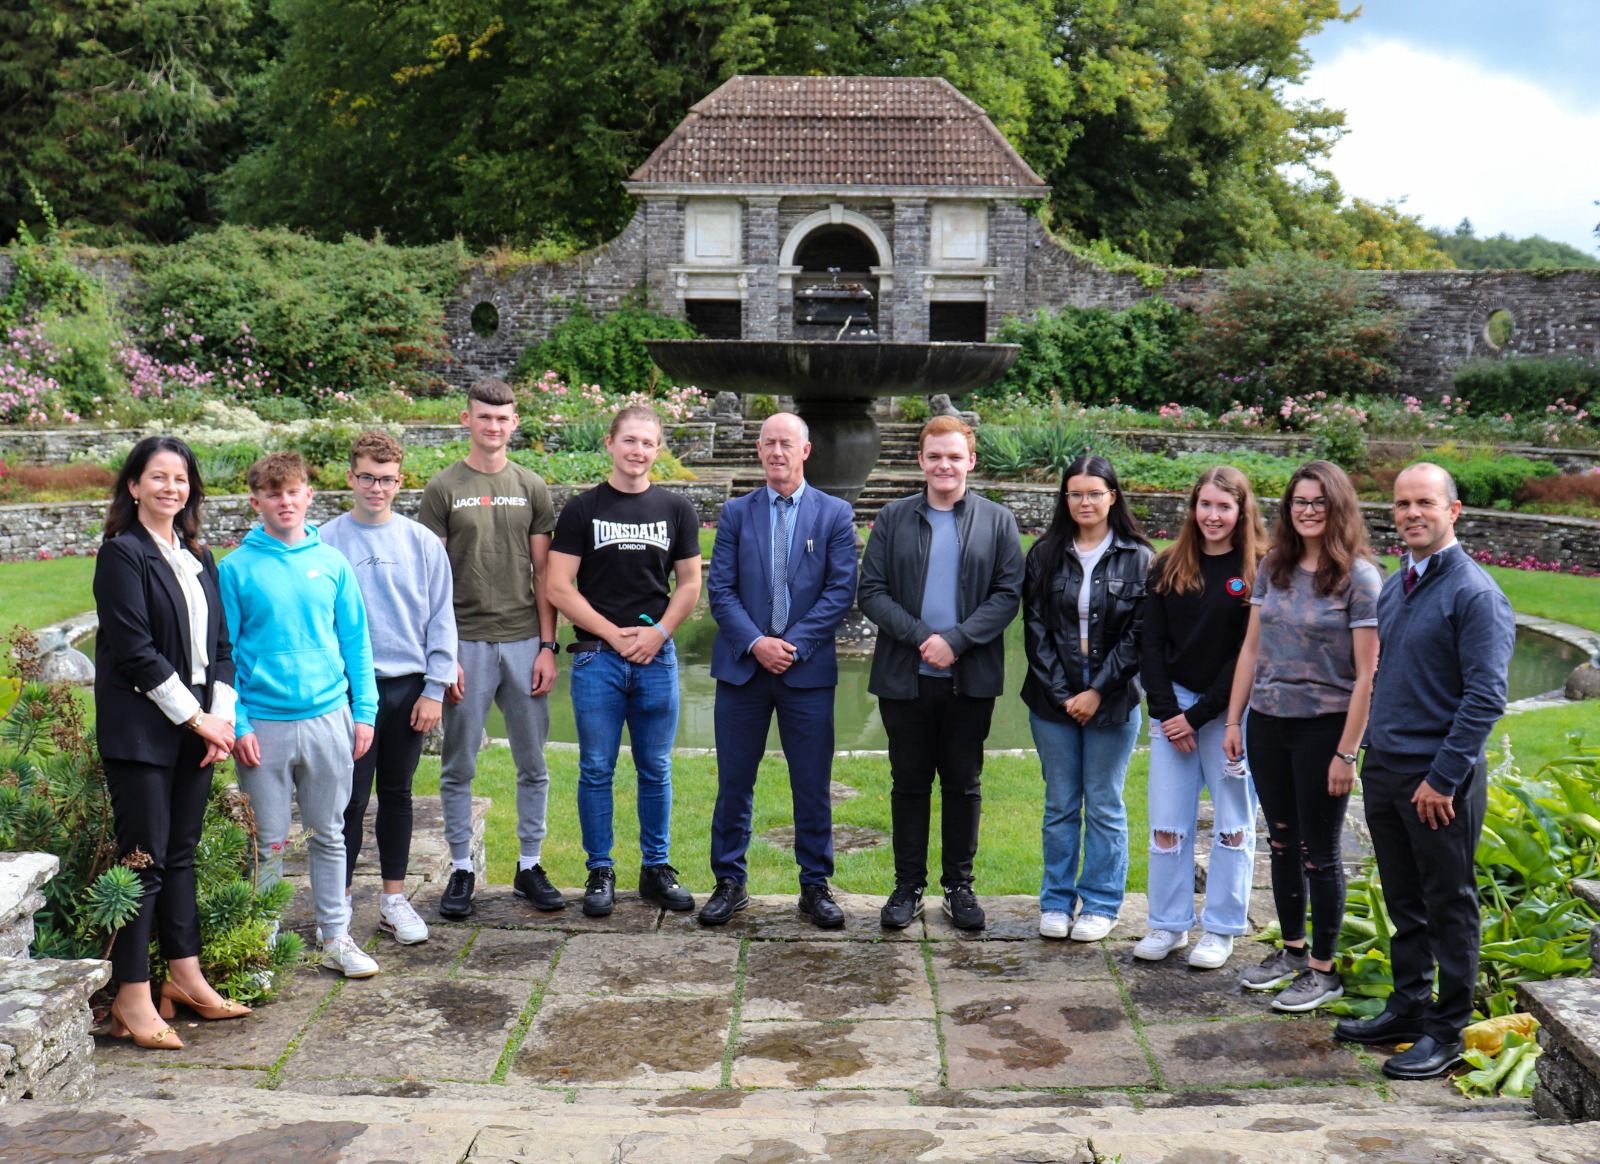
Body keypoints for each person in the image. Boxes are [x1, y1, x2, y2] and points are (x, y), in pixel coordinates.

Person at [1335, 463, 1514, 1078]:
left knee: (1449, 902)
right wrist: (1367, 752)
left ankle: (1449, 1027)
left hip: (1438, 781)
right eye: (1403, 503)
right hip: (1387, 770)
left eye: (1426, 503)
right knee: (1404, 899)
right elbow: (1386, 675)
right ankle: (1409, 1007)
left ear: (1453, 511)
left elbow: (1486, 697)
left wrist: (1442, 777)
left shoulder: (1475, 593)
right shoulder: (1396, 583)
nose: (1412, 513)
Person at [94, 436, 247, 1048]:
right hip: (142, 733)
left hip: (196, 728)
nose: (170, 488)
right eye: (157, 477)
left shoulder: (199, 557)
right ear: (134, 487)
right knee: (144, 861)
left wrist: (221, 720)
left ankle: (185, 978)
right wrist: (196, 720)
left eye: (180, 479)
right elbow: (135, 653)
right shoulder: (121, 555)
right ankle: (132, 997)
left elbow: (222, 651)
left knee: (179, 854)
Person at [1224, 459, 1381, 1012]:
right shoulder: (1273, 567)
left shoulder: (1359, 579)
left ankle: (1324, 968)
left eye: (1318, 502)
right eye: (1299, 502)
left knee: (1322, 852)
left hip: (1324, 730)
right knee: (1282, 841)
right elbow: (1250, 648)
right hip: (1268, 723)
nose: (1308, 511)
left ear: (1337, 507)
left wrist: (1347, 751)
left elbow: (1368, 674)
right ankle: (1291, 952)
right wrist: (1233, 720)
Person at [859, 416, 1024, 932]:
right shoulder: (892, 517)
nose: (945, 465)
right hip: (904, 677)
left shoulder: (998, 521)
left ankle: (959, 887)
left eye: (955, 456)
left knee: (963, 783)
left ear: (971, 461)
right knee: (908, 784)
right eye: (935, 456)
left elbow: (1006, 595)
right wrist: (920, 638)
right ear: (921, 461)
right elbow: (872, 591)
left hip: (968, 679)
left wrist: (955, 641)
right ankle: (907, 887)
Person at [220, 450, 380, 979]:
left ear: (309, 495)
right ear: (256, 501)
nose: (284, 501)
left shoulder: (331, 562)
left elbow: (356, 642)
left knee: (329, 834)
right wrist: (238, 723)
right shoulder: (236, 569)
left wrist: (365, 712)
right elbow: (227, 653)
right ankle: (260, 946)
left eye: (293, 491)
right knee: (267, 843)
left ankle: (335, 935)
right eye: (273, 493)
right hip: (262, 726)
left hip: (329, 717)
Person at [702, 413, 858, 928]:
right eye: (768, 443)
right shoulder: (735, 513)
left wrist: (789, 645)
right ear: (758, 449)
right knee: (734, 782)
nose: (776, 452)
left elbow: (840, 593)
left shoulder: (834, 514)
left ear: (805, 451)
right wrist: (756, 643)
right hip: (744, 670)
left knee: (811, 784)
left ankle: (814, 886)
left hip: (806, 672)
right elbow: (720, 590)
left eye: (786, 444)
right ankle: (729, 882)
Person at [548, 406, 703, 917]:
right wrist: (614, 635)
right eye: (629, 441)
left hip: (657, 658)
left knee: (655, 767)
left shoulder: (676, 508)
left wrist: (658, 633)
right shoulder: (582, 509)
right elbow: (556, 585)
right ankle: (600, 871)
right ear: (610, 444)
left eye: (648, 443)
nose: (638, 451)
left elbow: (689, 584)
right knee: (596, 767)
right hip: (598, 659)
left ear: (658, 450)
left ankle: (656, 869)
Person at [418, 377, 561, 919]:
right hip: (465, 644)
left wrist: (548, 646)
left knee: (533, 763)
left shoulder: (532, 486)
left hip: (525, 641)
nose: (493, 426)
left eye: (502, 418)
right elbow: (430, 584)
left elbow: (544, 573)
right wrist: (442, 655)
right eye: (484, 417)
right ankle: (461, 868)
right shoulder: (443, 489)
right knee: (458, 765)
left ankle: (529, 865)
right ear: (467, 420)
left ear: (514, 422)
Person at [322, 431, 458, 945]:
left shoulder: (420, 542)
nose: (375, 487)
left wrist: (435, 687)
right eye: (366, 477)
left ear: (400, 482)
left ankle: (393, 901)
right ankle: (337, 907)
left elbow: (442, 617)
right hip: (350, 692)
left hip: (408, 690)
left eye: (386, 479)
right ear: (350, 477)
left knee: (397, 794)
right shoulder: (327, 540)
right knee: (349, 801)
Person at [1134, 466, 1266, 969]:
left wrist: (1202, 714)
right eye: (1205, 505)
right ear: (1194, 508)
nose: (1213, 515)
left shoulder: (1257, 570)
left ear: (1240, 511)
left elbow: (1245, 653)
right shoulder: (1168, 565)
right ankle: (1168, 925)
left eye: (1224, 507)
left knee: (1234, 826)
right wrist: (1170, 712)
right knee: (1167, 826)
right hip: (1174, 712)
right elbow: (1150, 642)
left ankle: (1221, 929)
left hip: (1230, 713)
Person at [1024, 454, 1153, 942]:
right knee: (1059, 803)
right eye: (1075, 493)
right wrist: (1063, 695)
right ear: (1065, 498)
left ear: (1112, 497)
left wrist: (1097, 691)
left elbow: (1140, 635)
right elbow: (1034, 628)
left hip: (1114, 700)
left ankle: (1100, 903)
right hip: (1051, 699)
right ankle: (1056, 901)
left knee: (1103, 803)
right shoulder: (1044, 553)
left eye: (1094, 493)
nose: (1084, 502)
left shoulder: (1138, 557)